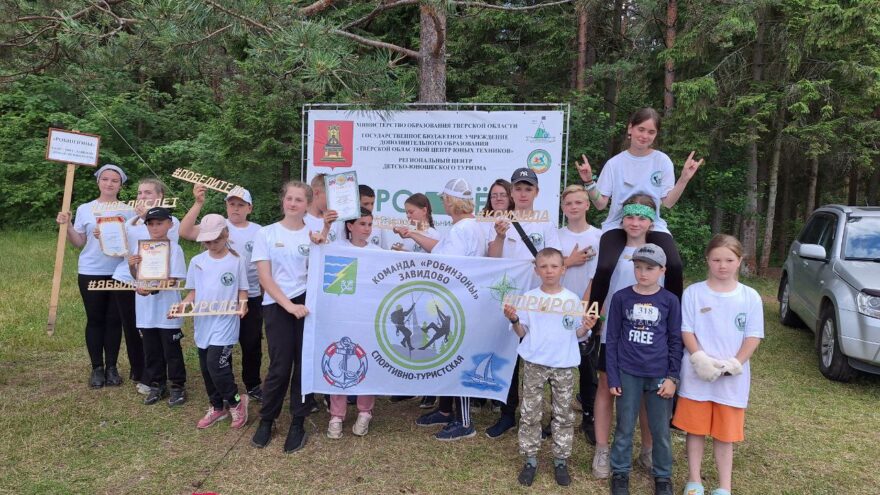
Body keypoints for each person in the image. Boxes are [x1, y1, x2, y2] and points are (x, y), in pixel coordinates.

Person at [576, 107, 703, 313]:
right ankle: (591, 325)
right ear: (630, 129)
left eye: (651, 132)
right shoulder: (615, 163)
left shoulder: (662, 161)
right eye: (641, 129)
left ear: (656, 135)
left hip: (653, 224)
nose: (645, 136)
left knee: (675, 266)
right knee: (605, 267)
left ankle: (674, 320)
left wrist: (684, 179)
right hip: (619, 223)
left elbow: (668, 202)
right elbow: (600, 204)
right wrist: (589, 182)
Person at [672, 235, 764, 495]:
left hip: (732, 379)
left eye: (729, 260)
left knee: (725, 435)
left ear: (739, 261)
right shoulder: (693, 292)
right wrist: (700, 359)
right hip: (697, 375)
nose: (722, 265)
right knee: (695, 430)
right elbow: (686, 329)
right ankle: (694, 480)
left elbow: (753, 335)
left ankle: (724, 486)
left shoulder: (750, 296)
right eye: (716, 260)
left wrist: (735, 363)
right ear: (707, 261)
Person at [503, 248, 598, 487]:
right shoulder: (529, 298)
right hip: (535, 363)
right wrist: (514, 320)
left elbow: (575, 333)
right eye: (543, 266)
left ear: (563, 269)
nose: (549, 271)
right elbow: (522, 332)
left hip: (563, 365)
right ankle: (530, 459)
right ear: (536, 270)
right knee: (530, 412)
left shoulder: (572, 299)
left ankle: (560, 460)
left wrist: (586, 327)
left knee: (564, 414)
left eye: (554, 266)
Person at [485, 168, 561, 440]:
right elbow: (492, 260)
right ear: (511, 192)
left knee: (537, 361)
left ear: (536, 192)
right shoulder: (501, 221)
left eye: (528, 189)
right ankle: (507, 413)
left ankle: (536, 416)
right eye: (518, 188)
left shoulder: (546, 224)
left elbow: (554, 260)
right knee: (508, 359)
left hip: (537, 300)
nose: (523, 193)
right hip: (510, 299)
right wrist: (500, 236)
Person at [588, 195, 659, 479]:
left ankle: (648, 449)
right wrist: (593, 315)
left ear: (651, 221)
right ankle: (603, 450)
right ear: (622, 218)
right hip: (614, 329)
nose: (635, 222)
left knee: (645, 390)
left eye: (641, 218)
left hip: (648, 330)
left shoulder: (660, 249)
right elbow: (599, 282)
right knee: (606, 385)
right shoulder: (611, 246)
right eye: (630, 216)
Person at [250, 181, 322, 453]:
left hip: (308, 305)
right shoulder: (266, 233)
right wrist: (289, 306)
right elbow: (265, 278)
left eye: (299, 200)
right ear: (283, 201)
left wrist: (323, 237)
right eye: (289, 199)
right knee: (280, 364)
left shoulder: (314, 234)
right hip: (278, 304)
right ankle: (267, 419)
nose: (293, 204)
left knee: (303, 364)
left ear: (307, 204)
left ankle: (298, 422)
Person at [605, 244, 682, 495]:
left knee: (660, 429)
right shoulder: (621, 298)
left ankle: (662, 476)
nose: (643, 273)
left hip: (659, 374)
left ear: (662, 270)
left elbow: (674, 339)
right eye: (638, 267)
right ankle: (620, 472)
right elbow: (613, 339)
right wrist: (613, 375)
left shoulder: (669, 300)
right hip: (628, 372)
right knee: (625, 425)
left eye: (649, 268)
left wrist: (672, 377)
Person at [415, 178, 487, 441]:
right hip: (456, 303)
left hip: (456, 304)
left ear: (452, 201)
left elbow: (448, 268)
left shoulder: (461, 230)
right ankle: (446, 410)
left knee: (457, 359)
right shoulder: (467, 227)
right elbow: (441, 251)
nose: (443, 203)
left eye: (444, 199)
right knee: (447, 357)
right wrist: (412, 234)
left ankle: (465, 421)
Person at [180, 184, 265, 402]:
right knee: (221, 345)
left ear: (250, 208)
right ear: (226, 206)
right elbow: (185, 232)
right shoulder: (216, 225)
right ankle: (223, 382)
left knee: (251, 342)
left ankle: (253, 384)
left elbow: (267, 263)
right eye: (231, 204)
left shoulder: (259, 231)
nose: (235, 208)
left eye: (241, 205)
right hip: (218, 299)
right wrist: (198, 203)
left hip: (250, 294)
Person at [56, 164, 135, 388]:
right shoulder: (85, 209)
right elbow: (79, 241)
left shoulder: (128, 210)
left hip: (120, 273)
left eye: (115, 180)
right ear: (98, 181)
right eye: (105, 179)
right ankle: (96, 369)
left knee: (114, 320)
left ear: (121, 184)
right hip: (91, 270)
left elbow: (135, 239)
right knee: (95, 319)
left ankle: (111, 367)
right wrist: (68, 225)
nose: (109, 184)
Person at [177, 214, 251, 429]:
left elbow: (242, 290)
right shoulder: (197, 261)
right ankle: (217, 405)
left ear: (226, 234)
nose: (211, 245)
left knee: (216, 365)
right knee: (206, 368)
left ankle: (237, 403)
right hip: (203, 323)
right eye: (207, 241)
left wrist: (243, 304)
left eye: (216, 240)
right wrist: (183, 305)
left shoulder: (236, 260)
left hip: (226, 321)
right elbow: (193, 292)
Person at [110, 178, 178, 395]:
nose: (142, 197)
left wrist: (144, 219)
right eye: (139, 193)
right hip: (127, 279)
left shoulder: (169, 222)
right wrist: (105, 236)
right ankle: (141, 372)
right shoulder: (129, 223)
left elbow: (163, 247)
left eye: (147, 193)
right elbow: (120, 250)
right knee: (134, 328)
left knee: (155, 330)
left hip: (154, 283)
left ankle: (158, 377)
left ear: (160, 197)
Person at [326, 208, 380, 439]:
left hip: (366, 318)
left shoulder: (379, 253)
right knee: (339, 359)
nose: (366, 229)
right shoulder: (336, 249)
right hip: (342, 317)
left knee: (364, 361)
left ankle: (365, 412)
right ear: (349, 226)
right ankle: (336, 415)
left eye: (369, 224)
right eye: (362, 224)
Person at [127, 207, 188, 406]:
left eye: (159, 223)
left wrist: (151, 290)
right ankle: (157, 385)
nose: (155, 227)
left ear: (170, 224)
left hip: (167, 308)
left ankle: (177, 386)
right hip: (146, 310)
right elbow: (137, 277)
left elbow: (173, 279)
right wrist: (131, 266)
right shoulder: (141, 247)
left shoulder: (174, 249)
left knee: (171, 350)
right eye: (151, 223)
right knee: (151, 349)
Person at [557, 185, 602, 444]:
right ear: (563, 208)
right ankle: (558, 416)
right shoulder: (555, 234)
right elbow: (548, 265)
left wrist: (585, 306)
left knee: (588, 367)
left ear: (587, 205)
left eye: (578, 202)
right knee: (558, 365)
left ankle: (589, 417)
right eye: (568, 203)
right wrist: (568, 261)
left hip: (587, 306)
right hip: (558, 307)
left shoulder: (599, 236)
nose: (573, 207)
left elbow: (598, 275)